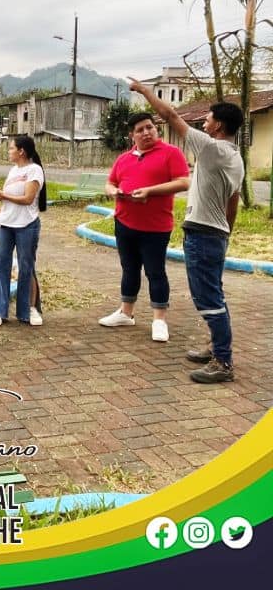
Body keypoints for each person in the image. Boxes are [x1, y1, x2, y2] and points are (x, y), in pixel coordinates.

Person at [130, 80, 244, 383]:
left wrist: (144, 91)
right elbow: (233, 201)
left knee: (208, 299)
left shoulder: (211, 148)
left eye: (208, 118)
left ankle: (223, 362)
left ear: (218, 125)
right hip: (215, 234)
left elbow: (170, 116)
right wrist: (226, 233)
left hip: (204, 235)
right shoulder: (236, 156)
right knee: (214, 294)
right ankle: (216, 347)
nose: (203, 122)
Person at [98, 112, 190, 342]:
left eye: (150, 127)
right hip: (124, 222)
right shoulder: (123, 159)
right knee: (129, 268)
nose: (146, 132)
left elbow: (183, 182)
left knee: (155, 271)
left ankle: (159, 320)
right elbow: (110, 182)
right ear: (132, 135)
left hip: (156, 227)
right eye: (140, 130)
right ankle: (125, 313)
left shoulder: (171, 153)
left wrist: (150, 191)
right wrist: (113, 191)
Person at [0, 135, 46, 327]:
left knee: (26, 266)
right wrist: (0, 196)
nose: (9, 151)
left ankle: (30, 309)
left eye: (11, 148)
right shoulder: (13, 170)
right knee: (1, 265)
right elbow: (11, 197)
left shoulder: (34, 170)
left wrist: (4, 195)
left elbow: (28, 198)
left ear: (21, 151)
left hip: (27, 225)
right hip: (5, 224)